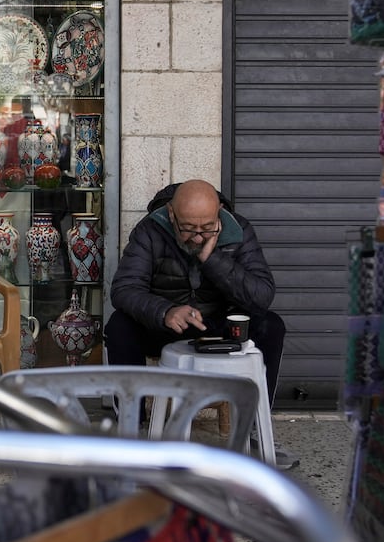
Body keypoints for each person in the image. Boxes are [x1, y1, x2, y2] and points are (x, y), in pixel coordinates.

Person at [105, 179, 296, 468]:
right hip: (168, 327)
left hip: (219, 325)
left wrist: (213, 258)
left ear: (218, 212)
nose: (196, 237)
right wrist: (165, 311)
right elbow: (124, 288)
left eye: (206, 228)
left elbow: (261, 295)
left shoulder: (239, 229)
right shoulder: (150, 230)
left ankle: (259, 430)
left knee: (271, 325)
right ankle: (132, 430)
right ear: (171, 214)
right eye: (188, 228)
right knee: (119, 326)